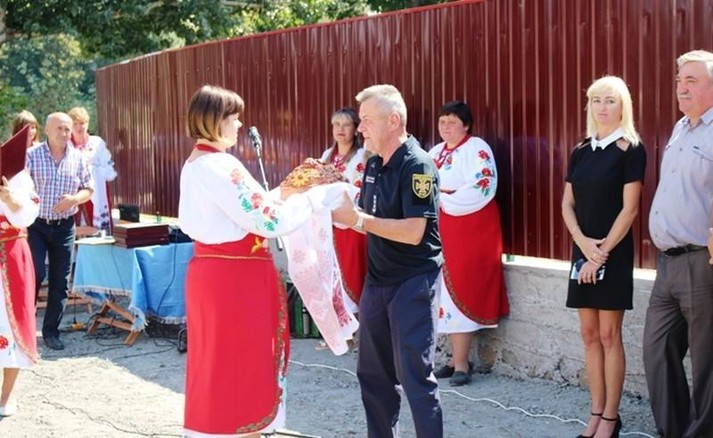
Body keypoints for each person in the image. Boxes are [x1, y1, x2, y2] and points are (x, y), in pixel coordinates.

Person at [179, 85, 335, 437]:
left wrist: (286, 191)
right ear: (215, 120)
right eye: (234, 118)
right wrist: (314, 198)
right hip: (235, 279)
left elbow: (246, 209)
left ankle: (220, 427)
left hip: (215, 273)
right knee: (243, 365)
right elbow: (269, 220)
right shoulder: (221, 165)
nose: (239, 125)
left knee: (218, 364)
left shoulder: (198, 163)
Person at [331, 84, 444, 438]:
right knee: (373, 376)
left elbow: (413, 231)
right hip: (377, 283)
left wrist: (358, 220)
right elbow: (368, 217)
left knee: (415, 376)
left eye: (366, 120)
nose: (359, 127)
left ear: (393, 120)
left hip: (413, 282)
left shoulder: (418, 165)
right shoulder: (373, 163)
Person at [562, 76, 646, 438]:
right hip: (583, 251)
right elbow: (567, 204)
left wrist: (600, 255)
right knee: (589, 334)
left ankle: (611, 418)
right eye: (596, 100)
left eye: (610, 100)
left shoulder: (631, 150)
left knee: (610, 335)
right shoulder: (581, 150)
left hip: (613, 252)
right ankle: (595, 412)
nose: (602, 107)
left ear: (623, 105)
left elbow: (629, 210)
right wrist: (582, 244)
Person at [644, 49, 713, 438]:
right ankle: (673, 431)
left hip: (701, 262)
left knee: (707, 361)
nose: (681, 88)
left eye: (691, 81)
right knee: (657, 352)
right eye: (678, 81)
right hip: (667, 263)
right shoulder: (681, 128)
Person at [429, 101, 509, 387]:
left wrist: (443, 200)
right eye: (442, 122)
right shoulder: (435, 152)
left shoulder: (477, 148)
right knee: (444, 293)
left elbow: (483, 185)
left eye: (452, 122)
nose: (446, 127)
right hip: (443, 226)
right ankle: (454, 359)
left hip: (469, 227)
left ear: (466, 125)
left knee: (462, 288)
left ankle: (462, 363)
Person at [26, 112, 93, 351]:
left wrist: (74, 199)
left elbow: (88, 188)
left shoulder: (78, 158)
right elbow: (18, 187)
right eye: (60, 129)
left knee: (60, 281)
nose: (64, 133)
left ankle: (51, 332)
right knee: (33, 275)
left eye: (67, 129)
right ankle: (24, 329)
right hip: (36, 225)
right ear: (47, 130)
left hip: (64, 226)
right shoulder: (31, 156)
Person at [0, 170, 40, 417]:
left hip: (10, 250)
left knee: (8, 323)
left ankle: (7, 394)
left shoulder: (16, 173)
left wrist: (9, 199)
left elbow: (29, 214)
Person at [320, 107, 368, 313]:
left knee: (353, 269)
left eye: (346, 124)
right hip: (329, 221)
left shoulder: (362, 155)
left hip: (351, 221)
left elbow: (363, 188)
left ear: (355, 129)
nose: (341, 129)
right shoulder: (327, 155)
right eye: (337, 124)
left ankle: (358, 319)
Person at [68, 107, 117, 233]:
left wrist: (94, 170)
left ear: (88, 123)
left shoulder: (97, 142)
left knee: (97, 230)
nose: (79, 127)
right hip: (74, 192)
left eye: (82, 123)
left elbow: (109, 170)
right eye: (75, 124)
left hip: (96, 191)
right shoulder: (66, 145)